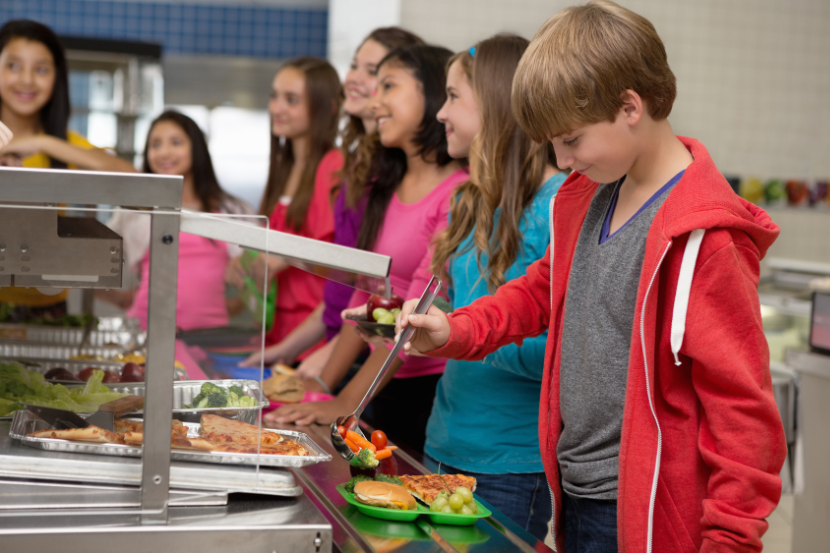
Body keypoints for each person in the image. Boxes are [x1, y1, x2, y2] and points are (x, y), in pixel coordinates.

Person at [396, 2, 786, 552]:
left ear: (630, 105)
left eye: (571, 139)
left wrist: (730, 539)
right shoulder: (591, 198)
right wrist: (456, 330)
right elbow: (538, 291)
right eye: (551, 144)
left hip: (645, 508)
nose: (561, 160)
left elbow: (743, 414)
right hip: (575, 493)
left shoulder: (706, 239)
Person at [268, 45, 467, 455]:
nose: (374, 103)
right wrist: (325, 387)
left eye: (388, 86)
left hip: (421, 389)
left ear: (431, 95)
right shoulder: (385, 187)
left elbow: (415, 310)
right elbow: (369, 292)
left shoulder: (457, 192)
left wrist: (346, 402)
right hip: (377, 379)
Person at [419, 35, 563, 542]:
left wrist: (460, 337)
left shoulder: (556, 206)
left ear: (497, 106)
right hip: (443, 442)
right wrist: (405, 322)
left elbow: (562, 356)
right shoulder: (470, 200)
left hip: (509, 463)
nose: (441, 113)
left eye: (454, 96)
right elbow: (459, 304)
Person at [238, 28, 423, 381]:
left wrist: (330, 351)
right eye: (355, 65)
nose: (353, 78)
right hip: (338, 340)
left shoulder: (348, 168)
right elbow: (349, 284)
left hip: (372, 352)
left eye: (380, 76)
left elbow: (367, 284)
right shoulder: (356, 166)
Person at [0, 20, 136, 320]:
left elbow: (134, 182)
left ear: (57, 78)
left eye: (41, 69)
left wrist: (44, 141)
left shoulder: (63, 146)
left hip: (46, 310)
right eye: (13, 65)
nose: (26, 79)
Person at [227, 56, 344, 357]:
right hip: (277, 333)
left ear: (327, 108)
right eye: (274, 96)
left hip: (314, 339)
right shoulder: (283, 169)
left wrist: (285, 257)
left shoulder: (335, 167)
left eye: (291, 100)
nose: (277, 108)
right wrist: (246, 262)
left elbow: (346, 263)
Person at [103, 111, 253, 330]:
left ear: (197, 149)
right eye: (155, 145)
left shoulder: (232, 210)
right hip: (146, 335)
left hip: (210, 340)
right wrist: (119, 299)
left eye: (176, 142)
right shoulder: (134, 210)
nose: (164, 152)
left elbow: (260, 273)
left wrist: (239, 304)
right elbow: (95, 257)